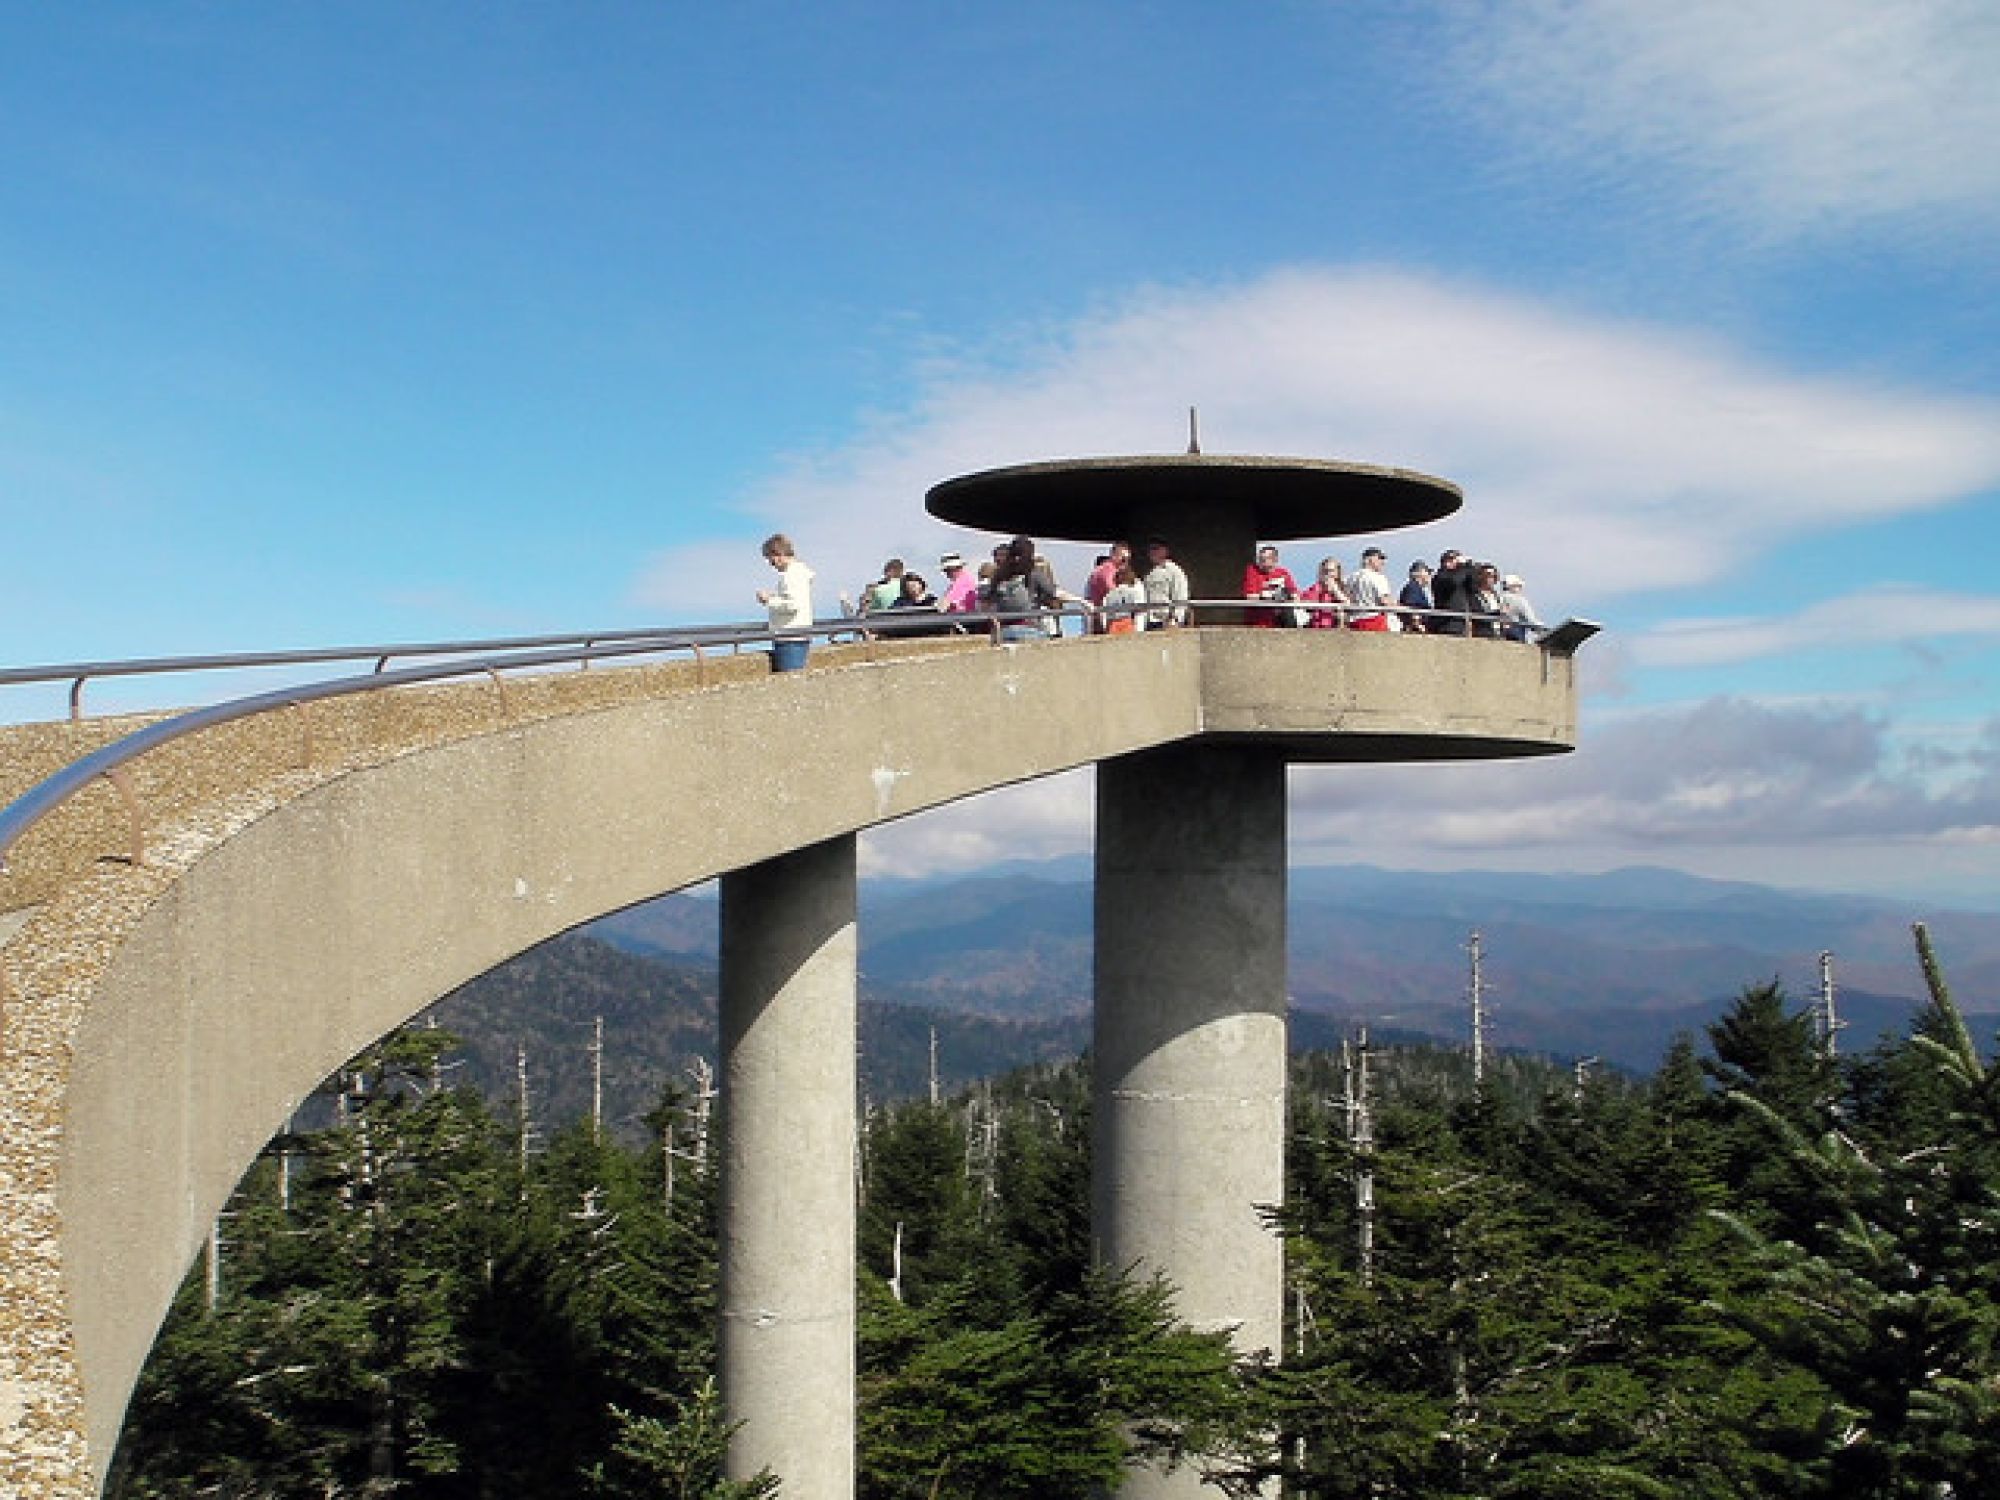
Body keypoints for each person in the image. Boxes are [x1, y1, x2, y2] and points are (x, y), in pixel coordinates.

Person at [982, 534, 1062, 642]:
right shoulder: (1033, 573)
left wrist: (995, 624)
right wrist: (1083, 602)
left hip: (1004, 631)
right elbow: (1055, 593)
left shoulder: (999, 575)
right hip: (1030, 628)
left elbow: (986, 604)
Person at [755, 533, 815, 672]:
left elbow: (792, 605)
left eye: (771, 560)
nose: (771, 565)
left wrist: (768, 600)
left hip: (790, 638)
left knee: (791, 682)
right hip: (798, 635)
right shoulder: (799, 572)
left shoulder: (791, 575)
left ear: (779, 554)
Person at [1241, 544, 1300, 628]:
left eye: (1265, 559)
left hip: (1278, 624)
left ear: (1275, 559)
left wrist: (1286, 595)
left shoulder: (1283, 573)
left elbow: (1295, 596)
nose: (1261, 562)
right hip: (1257, 624)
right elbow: (1251, 597)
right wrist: (1268, 594)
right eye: (1260, 559)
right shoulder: (1252, 571)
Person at [1141, 536, 1190, 629]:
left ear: (1165, 550)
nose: (1152, 552)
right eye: (1150, 550)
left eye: (1155, 549)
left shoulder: (1174, 571)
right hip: (1150, 621)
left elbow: (1180, 595)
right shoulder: (1149, 574)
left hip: (1166, 621)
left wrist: (1176, 619)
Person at [1346, 546, 1397, 632]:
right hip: (1374, 620)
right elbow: (1385, 601)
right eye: (1379, 558)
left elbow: (1347, 598)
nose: (1382, 562)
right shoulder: (1378, 577)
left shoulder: (1351, 578)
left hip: (1354, 622)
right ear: (1368, 559)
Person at [1085, 541, 1131, 633]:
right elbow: (1113, 592)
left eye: (1127, 559)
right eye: (1123, 559)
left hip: (1100, 616)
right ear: (1113, 555)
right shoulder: (1109, 570)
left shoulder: (1100, 569)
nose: (1125, 562)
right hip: (1106, 619)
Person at [1430, 549, 1472, 636]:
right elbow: (1453, 582)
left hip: (1459, 621)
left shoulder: (1460, 575)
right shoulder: (1440, 576)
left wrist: (1469, 567)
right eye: (1451, 559)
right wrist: (1463, 566)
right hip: (1446, 622)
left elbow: (1473, 585)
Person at [1298, 557, 1347, 629]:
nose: (1328, 574)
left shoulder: (1344, 587)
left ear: (1337, 572)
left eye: (1331, 571)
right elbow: (1304, 600)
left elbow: (1348, 604)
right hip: (1317, 624)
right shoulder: (1316, 587)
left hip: (1337, 625)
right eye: (1325, 571)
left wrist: (1335, 590)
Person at [1101, 560, 1148, 633]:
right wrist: (1139, 630)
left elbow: (1104, 614)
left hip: (1112, 625)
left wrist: (1106, 628)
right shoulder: (1135, 591)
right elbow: (1139, 612)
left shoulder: (1110, 594)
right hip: (1127, 623)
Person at [1498, 573, 1545, 642]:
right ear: (1511, 586)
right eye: (1518, 586)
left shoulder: (1498, 598)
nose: (1520, 589)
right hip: (1516, 633)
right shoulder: (1519, 600)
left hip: (1500, 633)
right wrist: (1542, 630)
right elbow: (1530, 619)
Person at [1399, 561, 1433, 633]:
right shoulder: (1413, 587)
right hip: (1416, 630)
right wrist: (1418, 626)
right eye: (1428, 572)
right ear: (1420, 573)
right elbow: (1413, 608)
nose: (1430, 576)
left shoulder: (1416, 588)